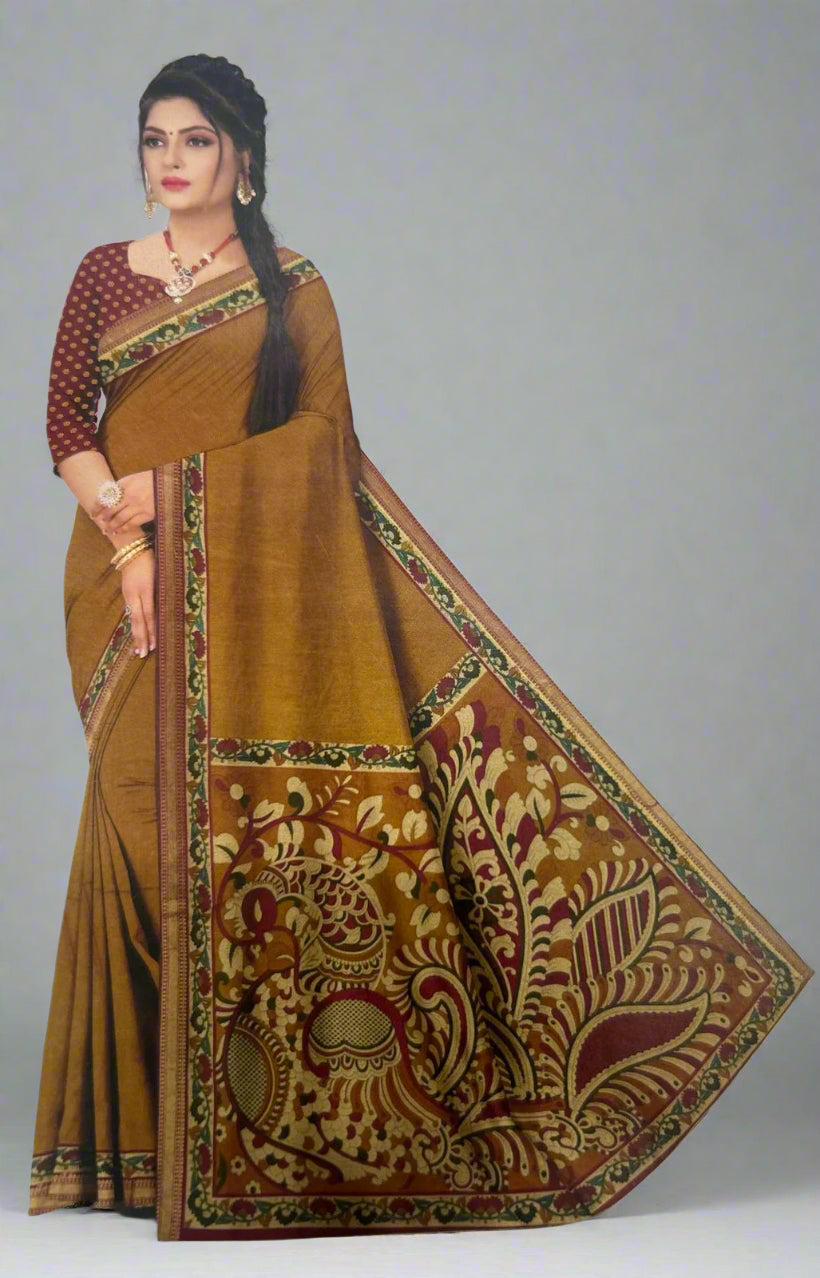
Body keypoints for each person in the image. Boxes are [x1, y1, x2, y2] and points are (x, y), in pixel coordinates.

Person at [29, 54, 812, 1242]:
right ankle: (136, 1146)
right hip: (120, 580)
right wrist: (132, 537)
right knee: (138, 827)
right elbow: (62, 423)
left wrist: (176, 494)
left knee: (214, 851)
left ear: (242, 159)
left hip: (244, 592)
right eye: (154, 139)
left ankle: (219, 1146)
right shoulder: (103, 272)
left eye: (195, 140)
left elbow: (321, 445)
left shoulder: (294, 290)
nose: (170, 161)